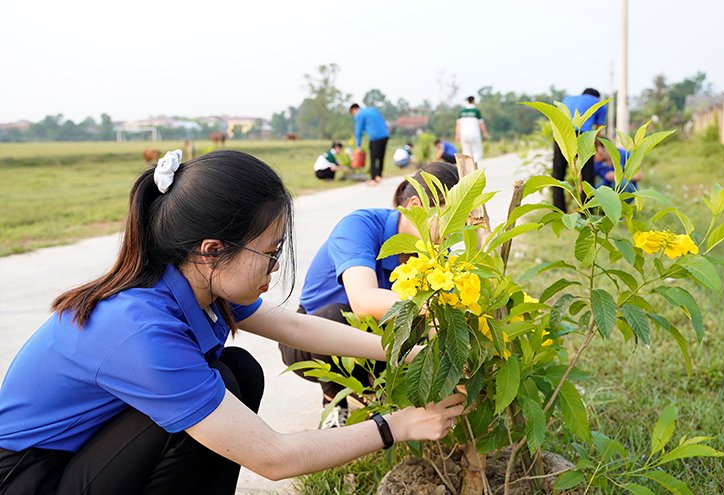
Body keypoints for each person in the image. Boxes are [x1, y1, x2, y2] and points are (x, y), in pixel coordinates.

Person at [0, 150, 464, 494]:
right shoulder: (141, 328)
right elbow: (274, 458)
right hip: (30, 477)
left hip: (77, 458)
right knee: (215, 388)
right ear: (212, 249)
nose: (277, 266)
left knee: (236, 373)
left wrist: (415, 353)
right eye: (272, 251)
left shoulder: (194, 282)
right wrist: (397, 426)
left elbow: (297, 328)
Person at [280, 162, 461, 428]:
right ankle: (334, 401)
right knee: (337, 316)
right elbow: (363, 302)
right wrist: (436, 306)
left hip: (375, 339)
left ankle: (378, 398)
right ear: (415, 207)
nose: (454, 233)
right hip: (309, 337)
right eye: (451, 219)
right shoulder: (360, 226)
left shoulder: (434, 253)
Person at [552, 88, 607, 212]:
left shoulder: (567, 99)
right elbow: (598, 130)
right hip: (583, 136)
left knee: (557, 175)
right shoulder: (599, 103)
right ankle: (585, 212)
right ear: (597, 97)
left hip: (561, 134)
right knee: (588, 176)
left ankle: (558, 211)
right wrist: (598, 148)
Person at [350, 103, 390, 187]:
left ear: (354, 110)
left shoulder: (359, 115)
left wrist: (358, 146)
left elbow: (358, 132)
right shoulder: (372, 110)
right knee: (381, 156)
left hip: (375, 137)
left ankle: (373, 179)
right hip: (385, 135)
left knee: (373, 158)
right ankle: (379, 175)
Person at [455, 96, 490, 162]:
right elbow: (481, 124)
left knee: (466, 153)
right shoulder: (476, 111)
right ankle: (476, 168)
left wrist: (457, 135)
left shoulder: (462, 111)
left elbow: (458, 124)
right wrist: (485, 132)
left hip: (464, 135)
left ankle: (469, 170)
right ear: (473, 101)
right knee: (477, 152)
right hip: (475, 134)